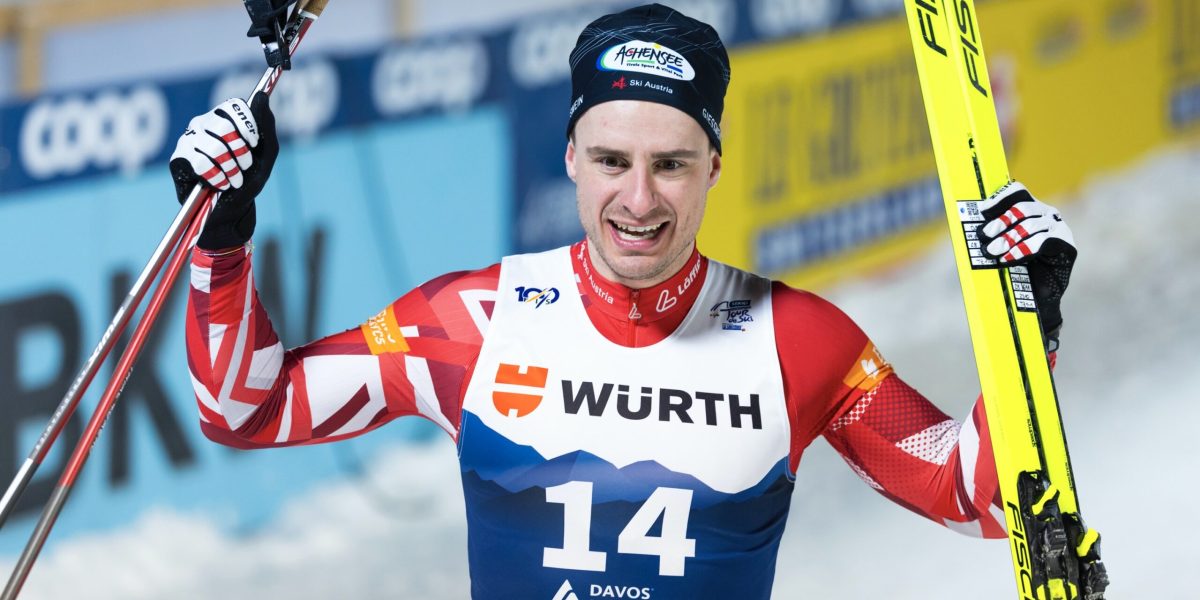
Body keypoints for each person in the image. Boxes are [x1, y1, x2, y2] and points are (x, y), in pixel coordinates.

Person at [170, 4, 1077, 598]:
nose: (639, 201)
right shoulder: (472, 323)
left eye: (671, 164)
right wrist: (225, 237)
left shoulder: (800, 338)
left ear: (714, 167)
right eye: (611, 161)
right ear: (571, 156)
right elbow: (243, 409)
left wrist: (1029, 326)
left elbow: (976, 498)